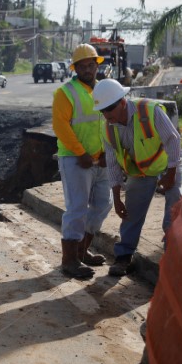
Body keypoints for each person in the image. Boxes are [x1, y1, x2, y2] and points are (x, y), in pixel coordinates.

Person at [91, 78, 182, 277]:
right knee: (131, 213)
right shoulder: (108, 128)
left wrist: (171, 174)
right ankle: (124, 256)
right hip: (142, 172)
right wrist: (116, 198)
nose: (107, 114)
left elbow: (173, 140)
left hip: (169, 162)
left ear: (122, 101)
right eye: (103, 111)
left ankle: (173, 257)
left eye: (110, 108)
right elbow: (113, 164)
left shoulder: (149, 111)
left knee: (174, 205)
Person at [51, 44, 114, 279]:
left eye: (91, 65)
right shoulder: (65, 92)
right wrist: (80, 153)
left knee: (102, 205)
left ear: (97, 66)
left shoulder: (103, 90)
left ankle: (82, 251)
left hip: (101, 160)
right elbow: (61, 126)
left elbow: (108, 122)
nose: (88, 69)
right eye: (83, 66)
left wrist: (109, 151)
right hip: (75, 160)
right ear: (75, 68)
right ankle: (69, 260)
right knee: (77, 208)